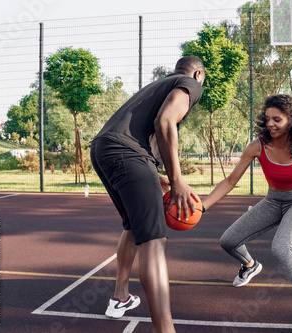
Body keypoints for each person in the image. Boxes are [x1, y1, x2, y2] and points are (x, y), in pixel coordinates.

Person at [202, 94, 292, 333]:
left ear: (291, 120)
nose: (270, 124)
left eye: (277, 119)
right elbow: (230, 180)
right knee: (228, 241)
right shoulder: (257, 145)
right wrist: (204, 205)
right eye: (267, 118)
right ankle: (249, 265)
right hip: (273, 200)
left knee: (281, 249)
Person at [90, 55, 205, 333]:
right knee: (154, 239)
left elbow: (147, 129)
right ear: (199, 74)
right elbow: (165, 122)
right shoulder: (191, 84)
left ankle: (120, 297)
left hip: (104, 148)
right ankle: (165, 329)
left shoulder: (161, 84)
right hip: (126, 153)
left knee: (133, 227)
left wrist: (155, 174)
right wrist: (177, 180)